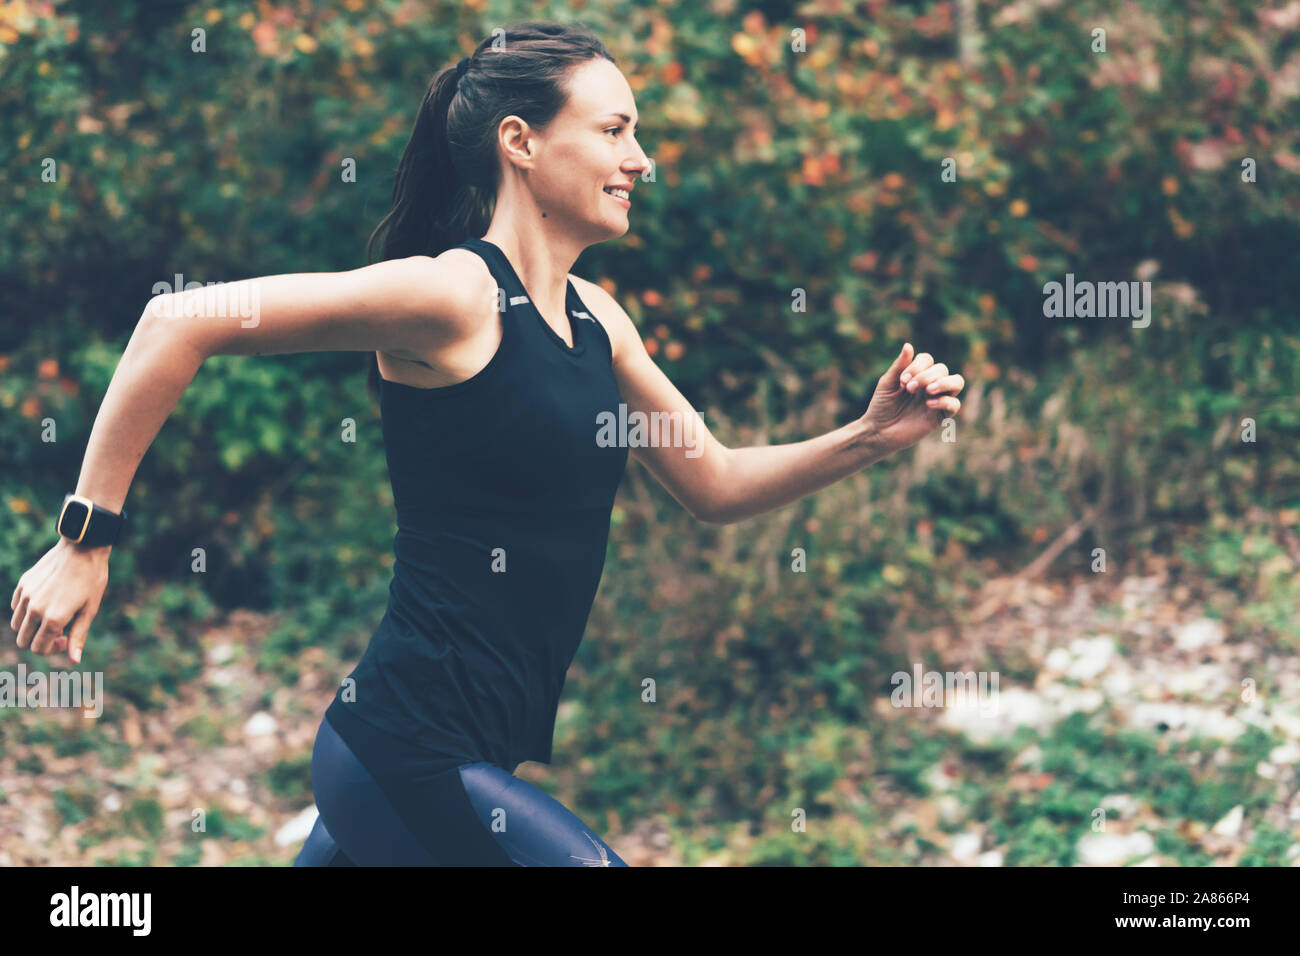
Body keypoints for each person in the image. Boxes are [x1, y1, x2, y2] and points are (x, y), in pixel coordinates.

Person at [8, 20, 965, 866]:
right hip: (399, 753)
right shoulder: (456, 297)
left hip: (452, 765)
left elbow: (712, 482)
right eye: (615, 130)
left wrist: (871, 435)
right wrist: (86, 540)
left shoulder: (599, 322)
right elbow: (179, 321)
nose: (642, 160)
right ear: (521, 143)